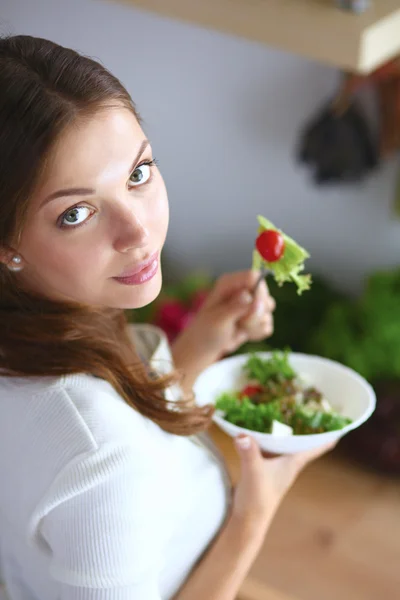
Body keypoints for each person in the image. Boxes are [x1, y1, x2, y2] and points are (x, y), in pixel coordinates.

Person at [0, 35, 334, 600]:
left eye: (138, 172)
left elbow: (104, 435)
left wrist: (199, 347)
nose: (138, 232)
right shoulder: (101, 455)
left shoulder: (42, 327)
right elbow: (101, 451)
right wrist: (255, 512)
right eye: (76, 213)